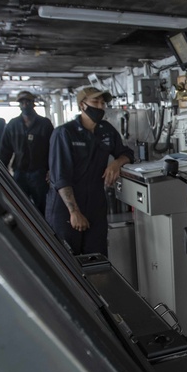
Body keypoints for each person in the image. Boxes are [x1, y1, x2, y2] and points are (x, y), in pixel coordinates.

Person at [46, 86, 134, 256]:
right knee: (68, 262)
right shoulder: (64, 133)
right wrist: (74, 212)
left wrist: (116, 162)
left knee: (97, 258)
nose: (100, 107)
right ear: (82, 105)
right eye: (95, 102)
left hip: (95, 204)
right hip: (65, 207)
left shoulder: (106, 130)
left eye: (103, 103)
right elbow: (60, 178)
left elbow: (127, 153)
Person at [0, 91, 53, 214]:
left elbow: (53, 149)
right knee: (20, 206)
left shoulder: (45, 124)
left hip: (40, 173)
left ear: (33, 103)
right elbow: (5, 150)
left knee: (43, 206)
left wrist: (52, 170)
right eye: (22, 102)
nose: (25, 105)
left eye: (28, 102)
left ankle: (44, 232)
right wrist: (1, 170)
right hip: (19, 173)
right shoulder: (13, 125)